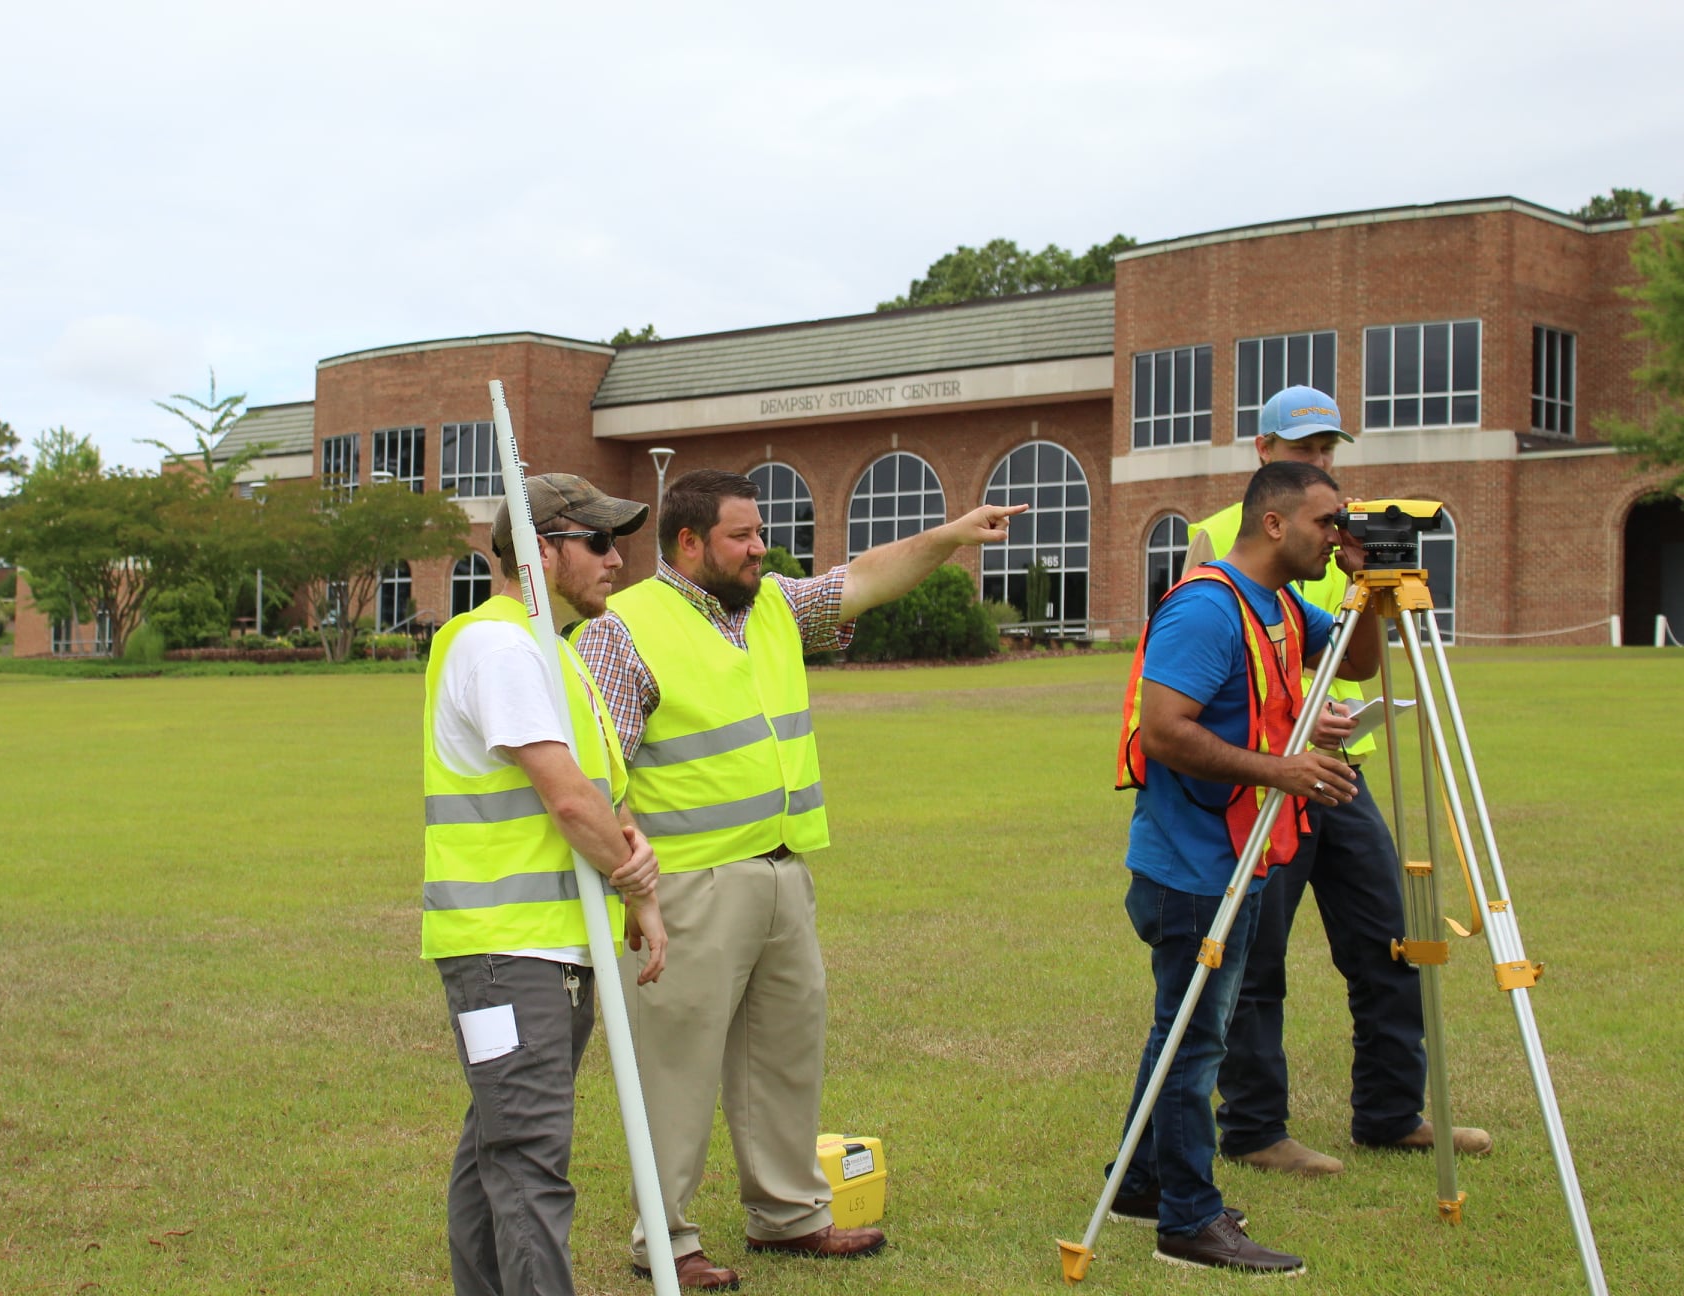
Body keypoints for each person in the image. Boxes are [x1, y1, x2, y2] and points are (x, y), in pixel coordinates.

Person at [577, 468, 1023, 1291]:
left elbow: (864, 575)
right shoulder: (620, 629)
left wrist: (951, 536)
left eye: (760, 533)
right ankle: (666, 1240)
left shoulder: (774, 604)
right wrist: (632, 886)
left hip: (783, 874)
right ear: (688, 543)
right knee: (674, 1070)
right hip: (688, 886)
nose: (760, 548)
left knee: (787, 1054)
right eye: (742, 536)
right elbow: (596, 773)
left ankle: (787, 1215)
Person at [1183, 387, 1491, 1176]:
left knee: (1390, 937)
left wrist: (1375, 583)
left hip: (1342, 770)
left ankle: (1391, 1113)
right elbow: (1196, 669)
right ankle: (1255, 1129)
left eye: (1327, 450)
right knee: (1257, 959)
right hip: (1268, 774)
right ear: (1263, 452)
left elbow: (1352, 658)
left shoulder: (1343, 529)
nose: (1319, 462)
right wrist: (1281, 726)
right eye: (1303, 449)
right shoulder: (1217, 537)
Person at [1106, 459, 1381, 1275]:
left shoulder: (1285, 604)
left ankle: (1141, 1182)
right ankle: (1188, 1221)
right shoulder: (1207, 606)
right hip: (1193, 866)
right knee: (1194, 1044)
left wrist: (1369, 587)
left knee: (1182, 1033)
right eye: (1326, 523)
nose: (1336, 536)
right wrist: (1284, 769)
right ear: (1273, 524)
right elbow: (1164, 731)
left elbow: (1357, 664)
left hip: (1245, 852)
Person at [423, 472, 670, 1296]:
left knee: (498, 1144)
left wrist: (632, 864)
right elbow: (567, 799)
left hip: (550, 951)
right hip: (508, 955)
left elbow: (603, 798)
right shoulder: (498, 647)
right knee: (528, 1159)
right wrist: (634, 878)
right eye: (598, 541)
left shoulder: (554, 655)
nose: (617, 558)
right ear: (543, 552)